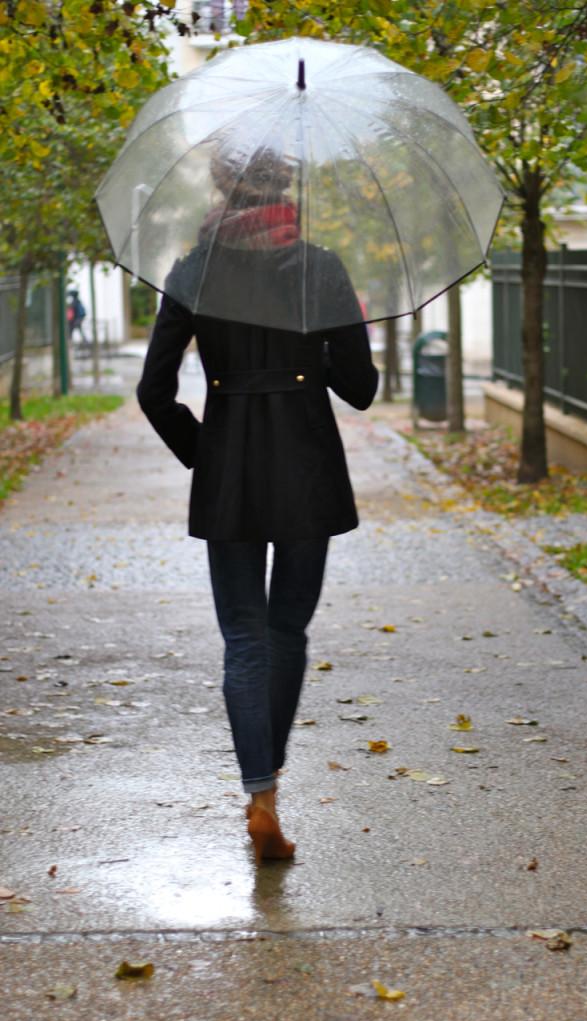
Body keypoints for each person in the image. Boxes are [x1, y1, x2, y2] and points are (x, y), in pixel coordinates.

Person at [136, 146, 378, 866]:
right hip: (307, 465)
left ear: (219, 185)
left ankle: (260, 789)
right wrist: (323, 349)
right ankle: (267, 789)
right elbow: (360, 387)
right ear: (287, 185)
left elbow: (155, 391)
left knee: (243, 638)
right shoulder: (320, 266)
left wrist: (202, 450)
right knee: (287, 632)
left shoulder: (193, 269)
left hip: (230, 470)